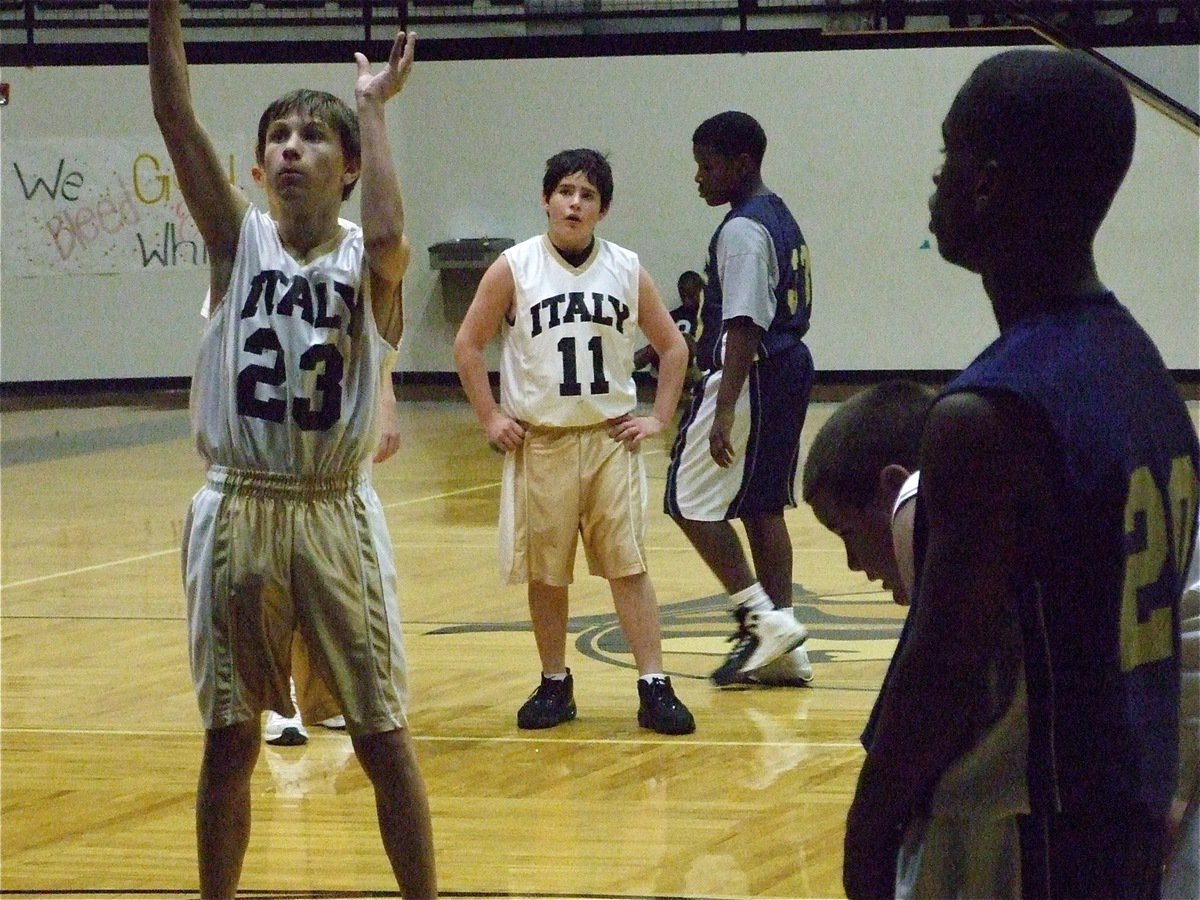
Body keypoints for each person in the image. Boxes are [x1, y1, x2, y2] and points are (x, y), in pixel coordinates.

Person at [842, 48, 1200, 900]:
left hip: (1028, 835)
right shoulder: (1142, 367)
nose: (934, 187)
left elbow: (942, 673)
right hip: (1126, 817)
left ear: (988, 185)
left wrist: (868, 830)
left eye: (946, 159)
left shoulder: (988, 417)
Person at [149, 3, 437, 896]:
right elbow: (174, 118)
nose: (290, 148)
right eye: (278, 135)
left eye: (313, 137)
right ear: (259, 163)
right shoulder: (238, 242)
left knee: (383, 732)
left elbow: (390, 235)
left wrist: (374, 105)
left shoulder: (366, 258)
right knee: (229, 735)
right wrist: (163, 14)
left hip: (331, 510)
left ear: (347, 168)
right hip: (236, 504)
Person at [453, 148, 696, 736]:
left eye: (587, 195)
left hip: (610, 438)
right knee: (548, 572)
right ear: (546, 198)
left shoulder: (626, 267)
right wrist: (490, 418)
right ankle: (555, 682)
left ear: (602, 209)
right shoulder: (514, 267)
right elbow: (467, 345)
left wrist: (658, 417)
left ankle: (653, 683)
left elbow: (674, 348)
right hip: (544, 441)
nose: (574, 203)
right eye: (565, 191)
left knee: (628, 566)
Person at [803, 380, 1029, 898]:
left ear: (894, 487)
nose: (854, 564)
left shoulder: (924, 505)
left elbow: (931, 705)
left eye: (845, 532)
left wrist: (867, 842)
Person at [664, 111, 815, 687]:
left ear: (741, 164)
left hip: (752, 371)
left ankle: (760, 618)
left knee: (685, 499)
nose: (698, 177)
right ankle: (784, 643)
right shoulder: (779, 215)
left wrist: (724, 407)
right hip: (786, 368)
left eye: (707, 165)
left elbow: (745, 322)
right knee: (761, 505)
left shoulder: (744, 229)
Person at [265, 373, 400, 746]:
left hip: (336, 430)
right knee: (281, 575)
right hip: (275, 425)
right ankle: (283, 700)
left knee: (335, 580)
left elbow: (378, 345)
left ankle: (325, 695)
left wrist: (385, 401)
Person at [633, 269, 702, 386]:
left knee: (682, 339)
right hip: (669, 361)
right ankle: (622, 368)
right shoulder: (672, 315)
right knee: (655, 344)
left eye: (691, 296)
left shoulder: (705, 314)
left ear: (700, 291)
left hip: (692, 364)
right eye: (683, 296)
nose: (687, 301)